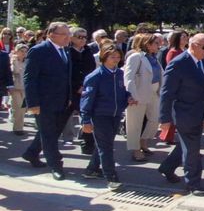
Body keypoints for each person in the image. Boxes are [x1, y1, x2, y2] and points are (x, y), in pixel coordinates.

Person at [158, 33, 204, 196]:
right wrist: (165, 118)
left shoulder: (202, 60)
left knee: (188, 145)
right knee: (192, 149)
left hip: (198, 112)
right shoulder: (178, 63)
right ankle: (193, 184)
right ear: (194, 45)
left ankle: (167, 167)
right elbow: (167, 92)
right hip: (184, 113)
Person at [22, 22, 73, 180]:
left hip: (61, 100)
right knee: (49, 134)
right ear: (51, 34)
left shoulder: (65, 50)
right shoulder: (39, 50)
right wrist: (33, 103)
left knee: (50, 131)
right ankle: (56, 165)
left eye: (68, 34)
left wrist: (69, 97)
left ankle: (31, 153)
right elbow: (30, 78)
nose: (68, 37)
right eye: (64, 34)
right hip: (43, 102)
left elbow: (65, 77)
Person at [80, 44, 135, 191]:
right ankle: (111, 177)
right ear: (104, 57)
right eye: (112, 57)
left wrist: (128, 97)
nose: (116, 60)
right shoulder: (95, 76)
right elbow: (87, 99)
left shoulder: (119, 74)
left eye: (118, 57)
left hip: (115, 115)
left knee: (104, 144)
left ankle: (91, 169)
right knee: (106, 147)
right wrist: (85, 120)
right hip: (100, 115)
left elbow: (123, 91)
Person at [124, 33, 163, 162]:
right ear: (147, 44)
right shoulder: (136, 57)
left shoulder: (154, 57)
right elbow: (128, 78)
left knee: (155, 119)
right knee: (135, 123)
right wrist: (132, 95)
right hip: (138, 93)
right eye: (156, 43)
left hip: (154, 92)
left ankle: (143, 141)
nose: (159, 45)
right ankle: (135, 149)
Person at [69, 27, 97, 155]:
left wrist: (86, 85)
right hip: (71, 91)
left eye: (85, 37)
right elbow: (68, 72)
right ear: (72, 38)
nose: (83, 40)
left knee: (88, 117)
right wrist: (77, 86)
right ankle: (34, 150)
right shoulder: (67, 51)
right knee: (59, 123)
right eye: (79, 37)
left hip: (86, 89)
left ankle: (88, 145)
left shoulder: (87, 50)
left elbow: (91, 69)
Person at [160, 30, 188, 144]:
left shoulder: (184, 51)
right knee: (172, 112)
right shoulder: (173, 52)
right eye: (183, 37)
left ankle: (169, 136)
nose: (186, 39)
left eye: (186, 37)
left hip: (183, 85)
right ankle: (167, 136)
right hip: (176, 85)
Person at [9, 43, 28, 135]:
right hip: (15, 88)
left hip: (25, 88)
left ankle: (19, 124)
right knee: (18, 108)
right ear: (16, 51)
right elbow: (15, 71)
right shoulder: (12, 61)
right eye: (21, 51)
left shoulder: (27, 62)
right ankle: (18, 128)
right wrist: (15, 60)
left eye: (25, 51)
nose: (24, 53)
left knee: (23, 109)